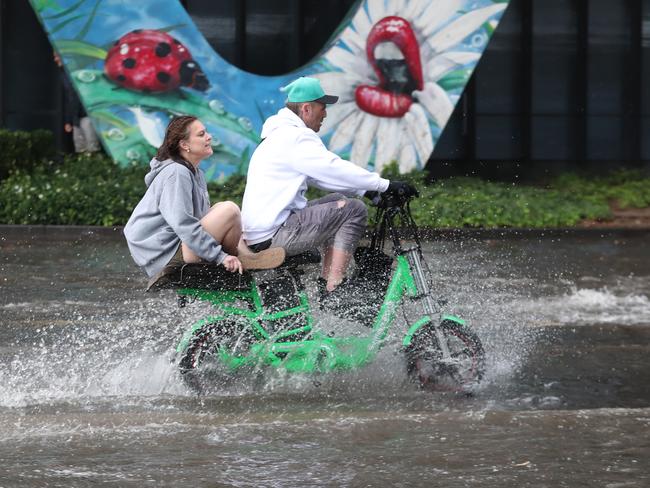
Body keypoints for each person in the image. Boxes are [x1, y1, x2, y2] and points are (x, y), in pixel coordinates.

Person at [241, 76, 416, 302]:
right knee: (353, 210)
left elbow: (320, 177)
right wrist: (385, 184)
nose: (325, 114)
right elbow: (331, 167)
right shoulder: (296, 137)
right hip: (274, 234)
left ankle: (330, 284)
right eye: (322, 108)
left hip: (262, 232)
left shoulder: (279, 135)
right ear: (306, 108)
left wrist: (367, 191)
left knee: (337, 199)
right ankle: (334, 287)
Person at [124, 115, 285, 283]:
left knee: (220, 208)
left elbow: (199, 219)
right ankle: (238, 257)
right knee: (228, 209)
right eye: (201, 134)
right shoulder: (176, 173)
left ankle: (247, 256)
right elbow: (182, 223)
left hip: (182, 245)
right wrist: (220, 257)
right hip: (168, 254)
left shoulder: (194, 172)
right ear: (184, 145)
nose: (209, 137)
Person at [53, 50, 101, 153]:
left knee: (91, 144)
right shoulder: (63, 75)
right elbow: (68, 99)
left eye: (57, 56)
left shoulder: (78, 70)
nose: (55, 59)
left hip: (87, 114)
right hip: (75, 117)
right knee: (79, 146)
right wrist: (68, 121)